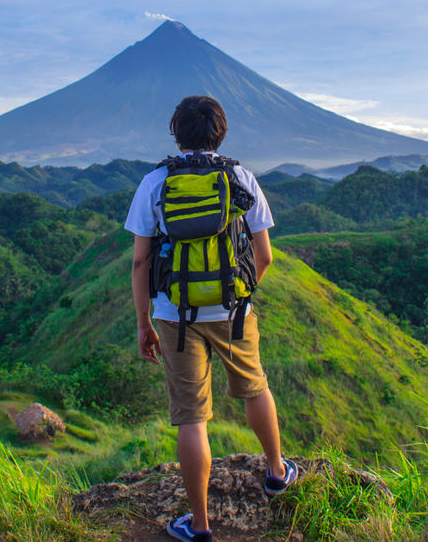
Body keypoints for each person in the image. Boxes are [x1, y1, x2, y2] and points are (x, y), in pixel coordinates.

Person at [125, 95, 298, 542]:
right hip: (233, 309)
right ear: (220, 132)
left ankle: (200, 527)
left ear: (176, 132)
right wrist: (239, 294)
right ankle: (277, 473)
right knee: (254, 385)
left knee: (191, 417)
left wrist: (144, 322)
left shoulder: (155, 182)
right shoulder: (240, 177)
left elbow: (141, 263)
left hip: (173, 313)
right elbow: (265, 255)